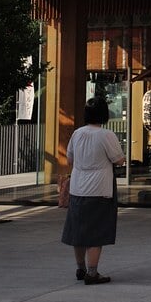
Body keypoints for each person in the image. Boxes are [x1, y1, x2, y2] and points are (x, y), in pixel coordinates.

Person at [61, 97, 126, 285]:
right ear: (104, 114)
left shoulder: (77, 133)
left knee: (78, 231)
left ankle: (80, 268)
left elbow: (69, 160)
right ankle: (92, 272)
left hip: (78, 186)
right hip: (99, 188)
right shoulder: (106, 135)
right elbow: (119, 160)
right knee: (95, 232)